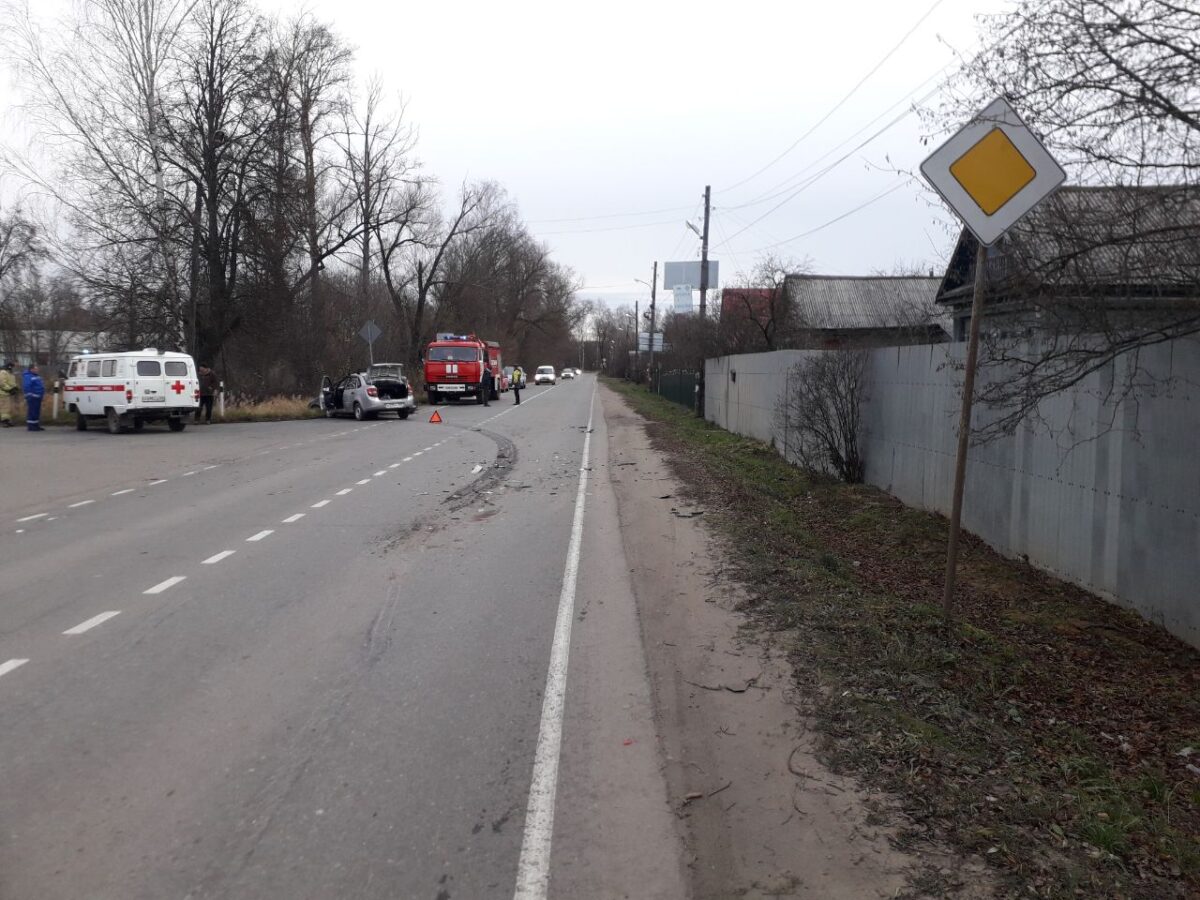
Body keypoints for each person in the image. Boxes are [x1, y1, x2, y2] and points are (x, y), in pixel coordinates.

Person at [23, 363, 44, 431]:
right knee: (32, 412)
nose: (37, 370)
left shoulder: (36, 376)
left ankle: (36, 425)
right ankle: (31, 426)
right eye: (35, 369)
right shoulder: (28, 376)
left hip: (37, 397)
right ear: (31, 369)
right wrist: (29, 395)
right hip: (33, 397)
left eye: (37, 369)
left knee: (36, 412)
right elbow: (27, 386)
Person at [0, 361, 18, 427]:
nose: (14, 368)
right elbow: (2, 383)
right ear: (10, 366)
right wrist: (10, 389)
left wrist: (15, 387)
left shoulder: (10, 373)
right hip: (3, 393)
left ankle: (7, 420)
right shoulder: (3, 372)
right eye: (13, 367)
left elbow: (11, 382)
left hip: (8, 393)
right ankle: (4, 421)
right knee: (4, 408)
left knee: (7, 408)